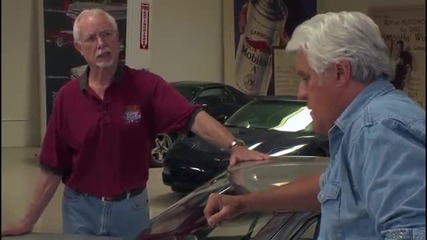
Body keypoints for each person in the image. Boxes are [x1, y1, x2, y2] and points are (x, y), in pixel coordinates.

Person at [1, 9, 269, 239]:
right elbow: (52, 168)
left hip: (130, 211)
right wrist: (27, 222)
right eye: (91, 38)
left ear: (119, 41)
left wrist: (234, 146)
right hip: (79, 210)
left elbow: (192, 117)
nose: (101, 44)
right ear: (79, 48)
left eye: (107, 34)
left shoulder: (146, 86)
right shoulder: (67, 98)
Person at [204, 11, 425, 239]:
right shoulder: (364, 126)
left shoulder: (379, 129)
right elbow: (329, 188)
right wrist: (243, 204)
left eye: (306, 78)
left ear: (340, 72)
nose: (300, 93)